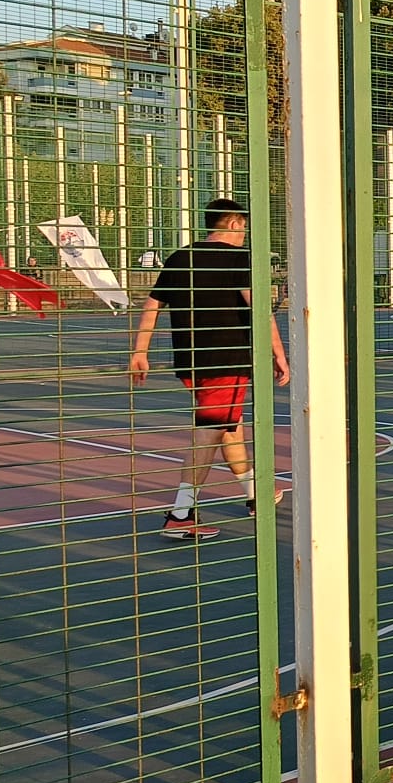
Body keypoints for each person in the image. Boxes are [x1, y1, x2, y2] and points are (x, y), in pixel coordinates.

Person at [128, 198, 291, 539]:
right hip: (226, 360)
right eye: (244, 226)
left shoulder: (180, 257)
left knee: (228, 427)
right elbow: (260, 310)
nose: (245, 233)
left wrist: (140, 351)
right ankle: (180, 515)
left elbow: (152, 304)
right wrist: (278, 353)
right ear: (233, 224)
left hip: (192, 362)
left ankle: (256, 495)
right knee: (210, 431)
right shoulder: (239, 259)